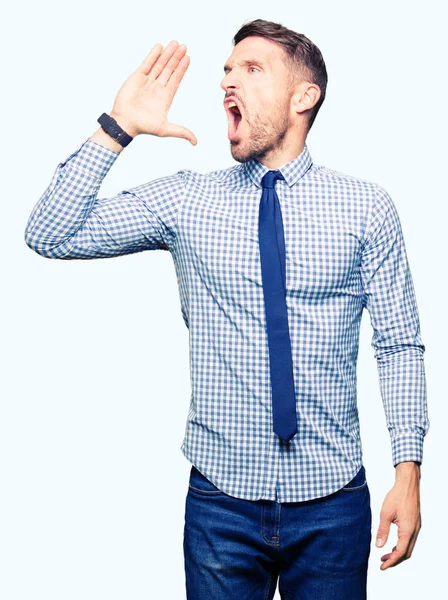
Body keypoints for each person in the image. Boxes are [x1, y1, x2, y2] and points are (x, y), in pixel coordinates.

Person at [24, 18, 430, 600]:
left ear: (303, 97)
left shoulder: (366, 208)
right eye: (226, 70)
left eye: (250, 68)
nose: (226, 83)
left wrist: (407, 474)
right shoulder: (187, 199)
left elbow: (398, 344)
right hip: (221, 505)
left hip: (334, 504)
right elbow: (50, 233)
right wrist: (119, 128)